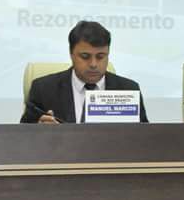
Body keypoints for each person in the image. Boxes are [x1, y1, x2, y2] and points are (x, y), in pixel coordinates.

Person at [20, 21, 148, 124]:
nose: (93, 64)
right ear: (71, 54)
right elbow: (23, 137)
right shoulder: (43, 89)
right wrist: (40, 130)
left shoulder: (128, 90)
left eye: (100, 56)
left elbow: (144, 138)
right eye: (85, 56)